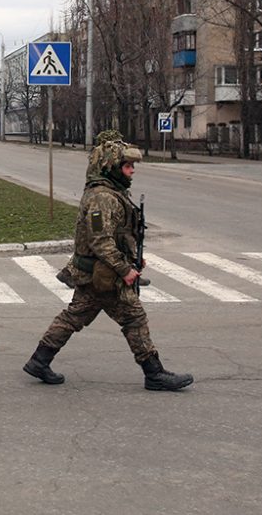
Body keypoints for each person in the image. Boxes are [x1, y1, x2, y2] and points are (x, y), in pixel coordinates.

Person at [23, 140, 193, 391]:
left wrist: (132, 257)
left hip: (97, 273)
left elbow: (115, 235)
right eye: (127, 166)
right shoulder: (102, 197)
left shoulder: (111, 193)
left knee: (74, 316)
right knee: (134, 317)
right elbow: (100, 240)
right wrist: (124, 269)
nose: (132, 170)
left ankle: (40, 360)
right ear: (111, 168)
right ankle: (154, 373)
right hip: (101, 274)